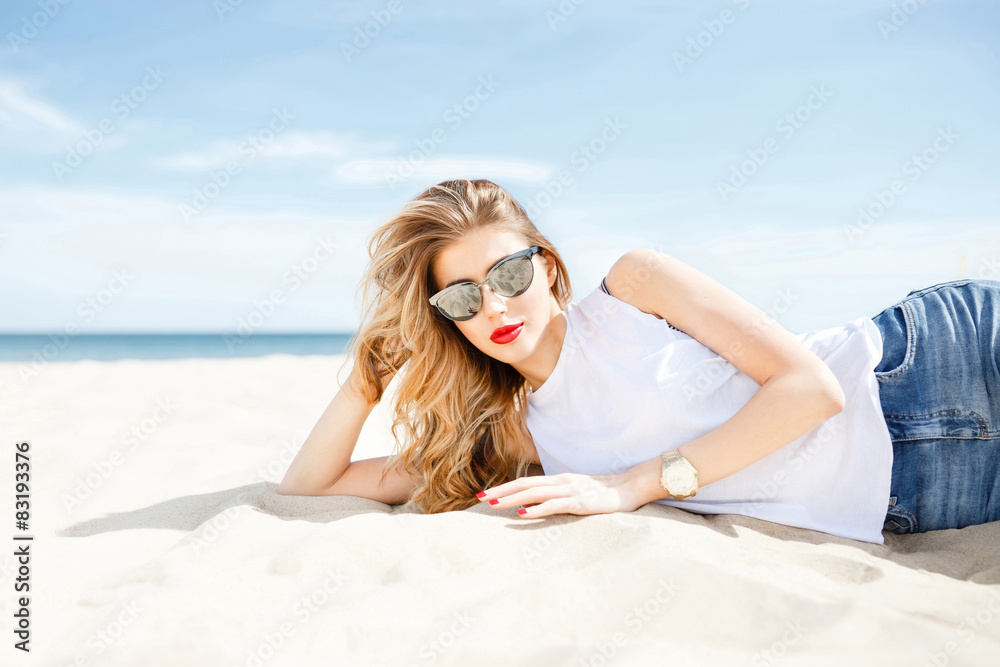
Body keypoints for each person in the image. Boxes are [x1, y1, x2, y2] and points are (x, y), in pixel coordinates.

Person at [278, 178, 1000, 545]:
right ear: (445, 318)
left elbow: (810, 388)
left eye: (507, 275)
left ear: (548, 268)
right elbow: (312, 486)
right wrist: (367, 377)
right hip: (930, 494)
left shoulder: (635, 286)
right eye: (462, 298)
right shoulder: (508, 438)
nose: (495, 307)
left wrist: (632, 487)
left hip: (932, 360)